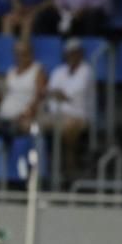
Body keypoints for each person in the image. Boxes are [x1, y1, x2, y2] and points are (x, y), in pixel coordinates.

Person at [39, 38, 94, 187]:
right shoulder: (59, 71)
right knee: (31, 125)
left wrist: (59, 94)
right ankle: (40, 169)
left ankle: (69, 167)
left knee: (68, 127)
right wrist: (58, 95)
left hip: (78, 115)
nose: (72, 56)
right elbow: (49, 92)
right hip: (55, 113)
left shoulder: (86, 71)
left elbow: (71, 94)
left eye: (75, 53)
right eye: (69, 53)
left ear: (81, 54)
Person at [0, 40, 46, 136]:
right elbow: (5, 95)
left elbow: (40, 97)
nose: (20, 57)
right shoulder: (11, 71)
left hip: (21, 118)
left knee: (16, 129)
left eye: (23, 54)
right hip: (3, 116)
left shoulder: (37, 70)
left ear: (30, 54)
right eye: (17, 54)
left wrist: (27, 113)